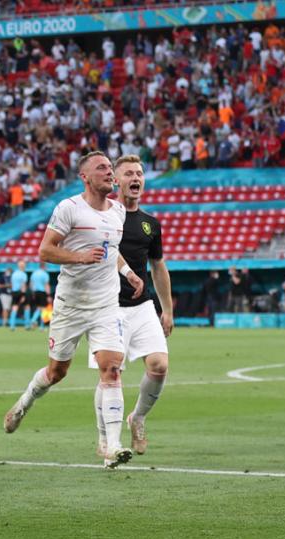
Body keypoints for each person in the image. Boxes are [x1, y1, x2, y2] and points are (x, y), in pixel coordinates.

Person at [2, 151, 145, 469]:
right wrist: (79, 257)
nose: (109, 172)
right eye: (102, 168)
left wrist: (128, 272)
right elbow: (45, 250)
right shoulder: (69, 209)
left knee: (112, 369)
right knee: (56, 373)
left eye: (110, 167)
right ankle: (25, 403)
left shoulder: (118, 212)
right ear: (85, 176)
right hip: (70, 305)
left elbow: (112, 250)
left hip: (106, 304)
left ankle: (111, 446)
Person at [86, 155, 172, 457]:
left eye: (139, 173)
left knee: (159, 365)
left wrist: (167, 309)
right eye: (128, 173)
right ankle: (104, 438)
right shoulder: (104, 217)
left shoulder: (151, 224)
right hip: (107, 307)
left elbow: (158, 266)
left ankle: (137, 418)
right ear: (116, 181)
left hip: (142, 305)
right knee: (110, 372)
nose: (135, 178)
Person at [28, 261, 51, 329]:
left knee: (39, 308)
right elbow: (46, 285)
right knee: (44, 309)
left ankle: (33, 320)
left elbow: (31, 284)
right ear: (44, 266)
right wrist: (48, 295)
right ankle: (41, 326)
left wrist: (32, 293)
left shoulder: (34, 273)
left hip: (35, 292)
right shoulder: (45, 274)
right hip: (42, 292)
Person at [8, 261, 30, 330]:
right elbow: (23, 285)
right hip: (21, 292)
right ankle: (27, 325)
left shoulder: (14, 274)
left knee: (14, 307)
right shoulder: (23, 274)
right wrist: (23, 295)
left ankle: (12, 325)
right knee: (27, 307)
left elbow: (11, 284)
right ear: (23, 266)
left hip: (14, 292)